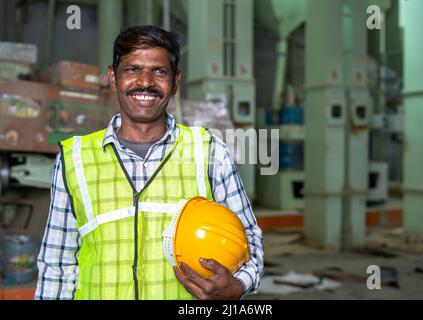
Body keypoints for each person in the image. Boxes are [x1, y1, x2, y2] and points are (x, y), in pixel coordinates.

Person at [35, 25, 264, 300]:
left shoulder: (210, 152)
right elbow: (56, 265)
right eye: (132, 69)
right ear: (112, 77)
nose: (145, 82)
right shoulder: (74, 159)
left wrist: (237, 286)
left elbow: (248, 239)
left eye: (159, 71)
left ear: (176, 81)